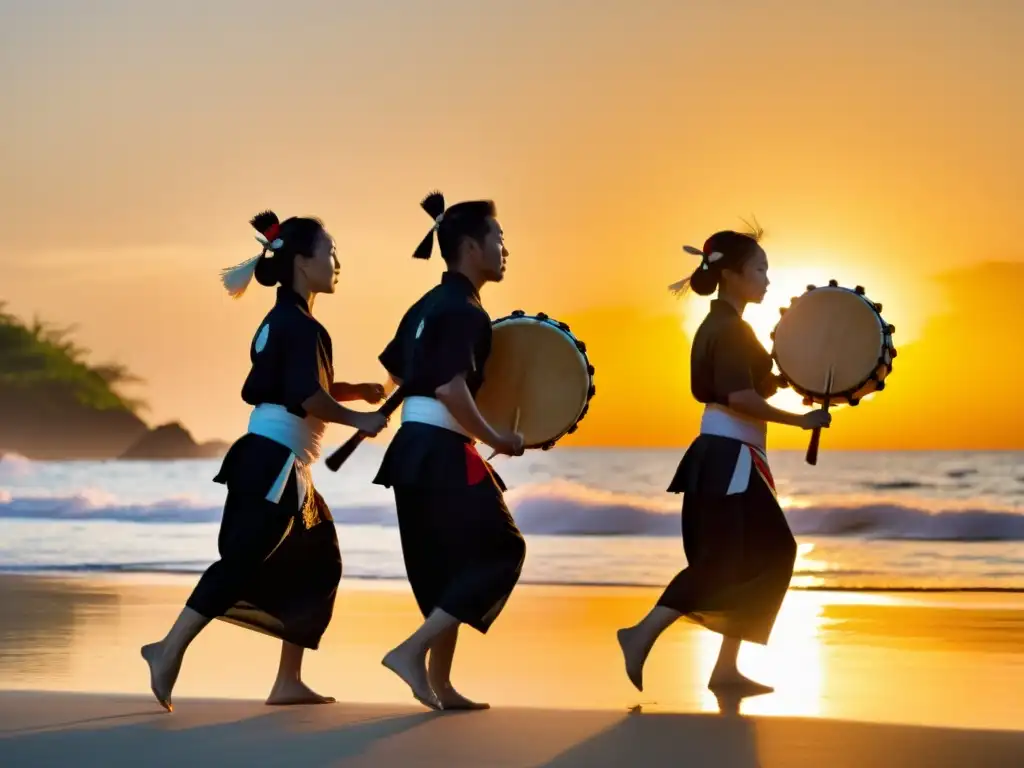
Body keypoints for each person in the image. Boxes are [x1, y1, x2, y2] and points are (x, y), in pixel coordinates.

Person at [141, 210, 389, 712]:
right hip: (274, 464)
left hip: (281, 465)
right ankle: (166, 650)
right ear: (302, 261)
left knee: (319, 563)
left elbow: (297, 386)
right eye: (329, 251)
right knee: (241, 562)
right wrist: (354, 419)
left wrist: (353, 391)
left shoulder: (285, 323)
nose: (337, 262)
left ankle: (287, 682)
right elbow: (305, 396)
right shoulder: (300, 326)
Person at [616, 226, 831, 696]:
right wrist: (802, 423)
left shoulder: (728, 327)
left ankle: (725, 669)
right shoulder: (729, 330)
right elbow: (740, 397)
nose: (767, 280)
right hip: (729, 456)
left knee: (752, 555)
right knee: (751, 556)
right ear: (732, 275)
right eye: (760, 270)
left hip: (729, 456)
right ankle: (641, 635)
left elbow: (762, 383)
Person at [373, 191, 526, 711]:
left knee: (448, 565)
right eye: (499, 239)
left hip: (412, 447)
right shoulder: (465, 311)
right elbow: (450, 389)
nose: (506, 248)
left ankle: (440, 681)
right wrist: (497, 438)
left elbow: (399, 370)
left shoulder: (426, 305)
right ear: (469, 246)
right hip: (441, 448)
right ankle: (411, 653)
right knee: (503, 550)